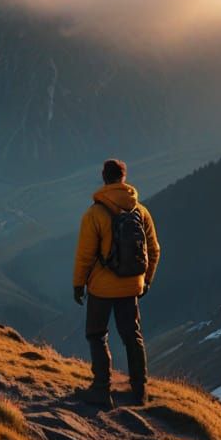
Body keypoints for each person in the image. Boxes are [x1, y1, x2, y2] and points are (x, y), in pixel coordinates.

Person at [72, 158, 160, 409]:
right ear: (124, 178)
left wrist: (79, 284)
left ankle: (101, 390)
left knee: (97, 334)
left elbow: (85, 254)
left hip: (101, 287)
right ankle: (140, 391)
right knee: (132, 336)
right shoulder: (140, 211)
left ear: (104, 177)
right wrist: (146, 281)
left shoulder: (96, 213)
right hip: (132, 286)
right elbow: (154, 250)